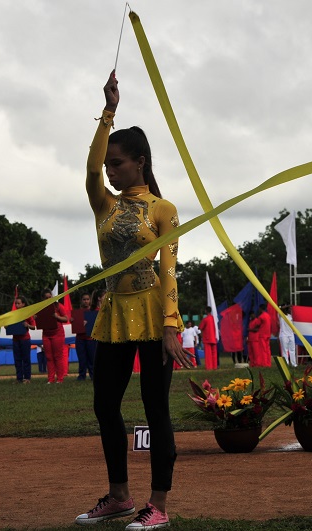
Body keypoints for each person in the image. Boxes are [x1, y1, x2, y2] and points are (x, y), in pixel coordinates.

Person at [75, 70, 191, 530]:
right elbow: (88, 168)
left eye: (118, 164)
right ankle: (120, 496)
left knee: (155, 406)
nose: (110, 171)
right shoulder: (104, 203)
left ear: (140, 163)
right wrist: (108, 112)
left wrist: (170, 324)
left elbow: (169, 269)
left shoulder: (163, 210)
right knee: (105, 405)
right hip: (114, 316)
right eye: (110, 165)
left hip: (151, 313)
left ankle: (158, 504)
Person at [40, 288, 70, 384]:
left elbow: (66, 319)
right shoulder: (40, 308)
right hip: (46, 334)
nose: (49, 299)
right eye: (46, 298)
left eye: (50, 297)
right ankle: (50, 379)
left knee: (58, 356)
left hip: (58, 334)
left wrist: (57, 317)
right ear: (43, 299)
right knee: (49, 357)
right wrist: (37, 318)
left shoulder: (58, 306)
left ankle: (60, 379)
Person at [11, 296, 36, 384]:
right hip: (15, 339)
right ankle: (19, 378)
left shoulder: (27, 314)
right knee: (17, 359)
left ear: (23, 304)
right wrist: (7, 326)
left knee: (26, 359)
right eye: (16, 303)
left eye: (19, 303)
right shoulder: (12, 314)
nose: (17, 305)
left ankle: (27, 378)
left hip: (25, 339)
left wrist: (27, 325)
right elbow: (7, 324)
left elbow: (34, 327)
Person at [74, 292, 94, 380]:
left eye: (87, 299)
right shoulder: (77, 313)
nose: (86, 301)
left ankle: (93, 375)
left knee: (92, 358)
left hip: (90, 339)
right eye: (84, 299)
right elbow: (74, 326)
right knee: (82, 358)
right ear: (81, 301)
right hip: (80, 338)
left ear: (90, 300)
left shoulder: (94, 312)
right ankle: (81, 376)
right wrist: (74, 321)